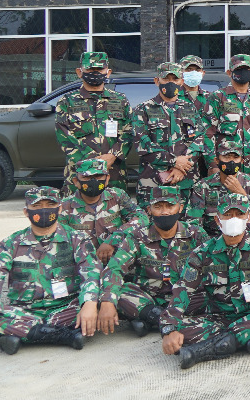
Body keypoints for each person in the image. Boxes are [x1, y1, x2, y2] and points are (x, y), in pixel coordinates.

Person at [0, 187, 101, 354]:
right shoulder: (10, 244)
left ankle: (20, 335)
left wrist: (89, 303)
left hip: (66, 309)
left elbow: (92, 272)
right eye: (37, 206)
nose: (44, 210)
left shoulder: (77, 239)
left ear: (59, 208)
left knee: (102, 305)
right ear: (26, 212)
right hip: (24, 311)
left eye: (50, 204)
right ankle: (64, 335)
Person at [160, 194, 250, 368]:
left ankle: (199, 352)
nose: (234, 219)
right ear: (218, 220)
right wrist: (170, 327)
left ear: (248, 217)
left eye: (239, 214)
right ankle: (244, 339)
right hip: (219, 318)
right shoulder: (202, 253)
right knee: (179, 332)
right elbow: (183, 289)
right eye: (228, 215)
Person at [99, 186, 208, 337]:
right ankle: (163, 319)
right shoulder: (137, 236)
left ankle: (150, 321)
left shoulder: (196, 234)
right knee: (117, 291)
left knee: (212, 294)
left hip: (185, 299)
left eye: (170, 206)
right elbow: (114, 268)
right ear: (149, 210)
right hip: (149, 299)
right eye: (158, 207)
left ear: (180, 207)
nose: (165, 212)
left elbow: (212, 266)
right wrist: (107, 301)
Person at [128, 61, 209, 206]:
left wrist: (182, 166)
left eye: (175, 79)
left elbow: (199, 138)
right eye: (166, 79)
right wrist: (175, 161)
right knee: (153, 223)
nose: (170, 83)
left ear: (181, 82)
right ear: (156, 81)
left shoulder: (190, 108)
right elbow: (141, 142)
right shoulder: (143, 109)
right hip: (153, 182)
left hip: (186, 179)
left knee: (187, 224)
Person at [55, 50, 131, 189]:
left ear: (108, 72)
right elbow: (63, 135)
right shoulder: (67, 102)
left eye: (99, 69)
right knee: (77, 209)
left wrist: (112, 156)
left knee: (113, 208)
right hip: (79, 174)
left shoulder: (121, 100)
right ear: (79, 72)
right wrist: (92, 160)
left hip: (113, 173)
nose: (95, 72)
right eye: (90, 68)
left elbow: (129, 132)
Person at [58, 158, 146, 260]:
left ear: (107, 179)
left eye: (98, 176)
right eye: (87, 177)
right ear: (76, 181)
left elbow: (142, 218)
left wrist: (114, 239)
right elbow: (60, 241)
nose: (93, 181)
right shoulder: (65, 206)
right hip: (82, 264)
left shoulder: (117, 196)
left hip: (115, 262)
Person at [208, 53, 250, 164]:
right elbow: (208, 134)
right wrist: (213, 165)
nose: (242, 72)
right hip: (226, 166)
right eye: (238, 69)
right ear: (229, 73)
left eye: (246, 69)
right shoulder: (218, 97)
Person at [194, 141, 250, 236]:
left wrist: (241, 193)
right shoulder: (203, 186)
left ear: (242, 161)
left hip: (246, 239)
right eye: (227, 157)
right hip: (213, 240)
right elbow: (193, 221)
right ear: (217, 161)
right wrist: (208, 244)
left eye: (236, 157)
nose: (231, 161)